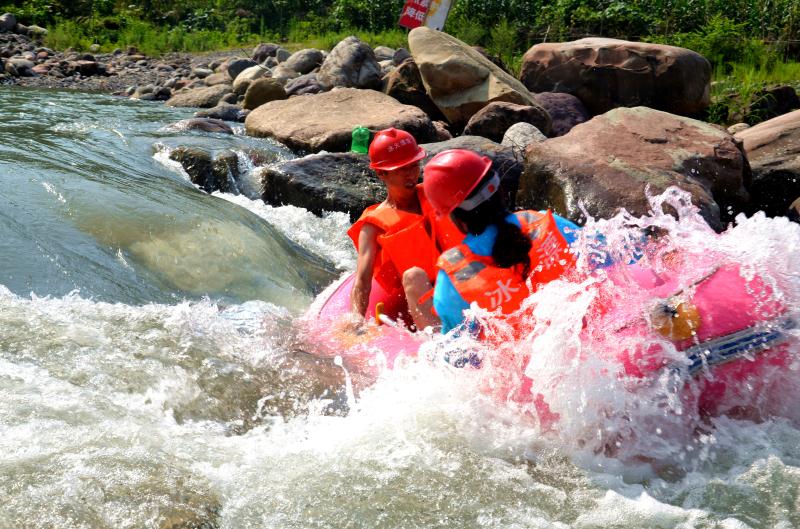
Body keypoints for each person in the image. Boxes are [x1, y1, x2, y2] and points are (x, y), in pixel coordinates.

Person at [422, 149, 581, 334]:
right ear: (499, 190)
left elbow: (456, 348)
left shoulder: (454, 277)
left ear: (455, 216)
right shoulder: (547, 223)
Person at [346, 128, 462, 330]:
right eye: (402, 169)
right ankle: (441, 341)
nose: (411, 174)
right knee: (413, 276)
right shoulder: (372, 226)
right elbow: (363, 281)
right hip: (423, 299)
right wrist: (356, 320)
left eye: (414, 165)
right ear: (381, 173)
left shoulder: (437, 193)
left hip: (462, 283)